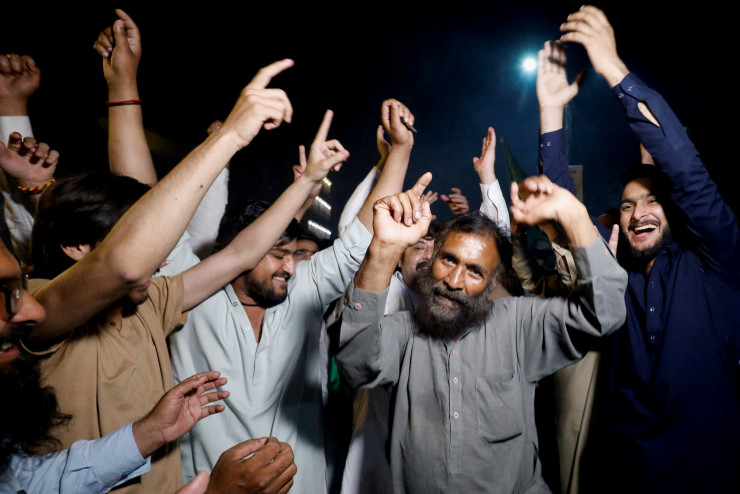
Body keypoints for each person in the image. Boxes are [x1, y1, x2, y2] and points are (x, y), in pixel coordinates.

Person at [15, 57, 321, 494]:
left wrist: (306, 184)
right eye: (141, 243)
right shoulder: (38, 306)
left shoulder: (152, 303)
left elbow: (240, 254)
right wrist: (230, 136)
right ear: (77, 247)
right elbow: (123, 266)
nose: (157, 260)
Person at [169, 98, 416, 494]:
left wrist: (400, 151)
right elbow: (152, 210)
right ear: (239, 251)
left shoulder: (303, 291)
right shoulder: (188, 295)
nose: (290, 266)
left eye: (292, 254)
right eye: (277, 254)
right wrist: (221, 142)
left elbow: (361, 237)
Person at [543, 6, 740, 493]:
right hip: (624, 473)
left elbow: (686, 172)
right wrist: (550, 112)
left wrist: (613, 68)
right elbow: (561, 205)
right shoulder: (616, 275)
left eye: (653, 201)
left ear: (675, 211)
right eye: (628, 205)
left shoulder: (716, 261)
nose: (638, 213)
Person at [334, 171, 627, 493]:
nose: (454, 281)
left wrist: (573, 215)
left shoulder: (519, 325)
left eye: (475, 271)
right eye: (449, 260)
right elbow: (356, 364)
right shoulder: (404, 331)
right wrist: (382, 250)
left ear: (492, 282)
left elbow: (604, 314)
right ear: (432, 258)